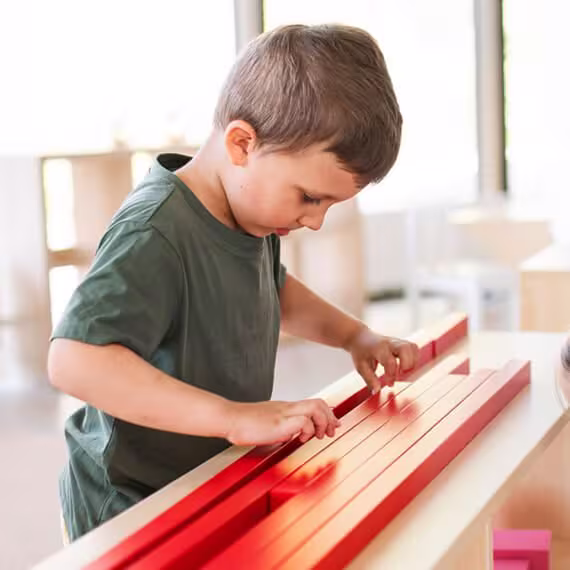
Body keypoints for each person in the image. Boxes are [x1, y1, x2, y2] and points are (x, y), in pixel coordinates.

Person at [48, 23, 419, 541]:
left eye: (330, 205)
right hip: (128, 505)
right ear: (243, 143)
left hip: (201, 479)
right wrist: (232, 418)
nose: (315, 222)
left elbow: (274, 288)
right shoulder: (156, 230)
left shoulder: (251, 214)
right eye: (310, 198)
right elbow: (74, 360)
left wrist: (354, 336)